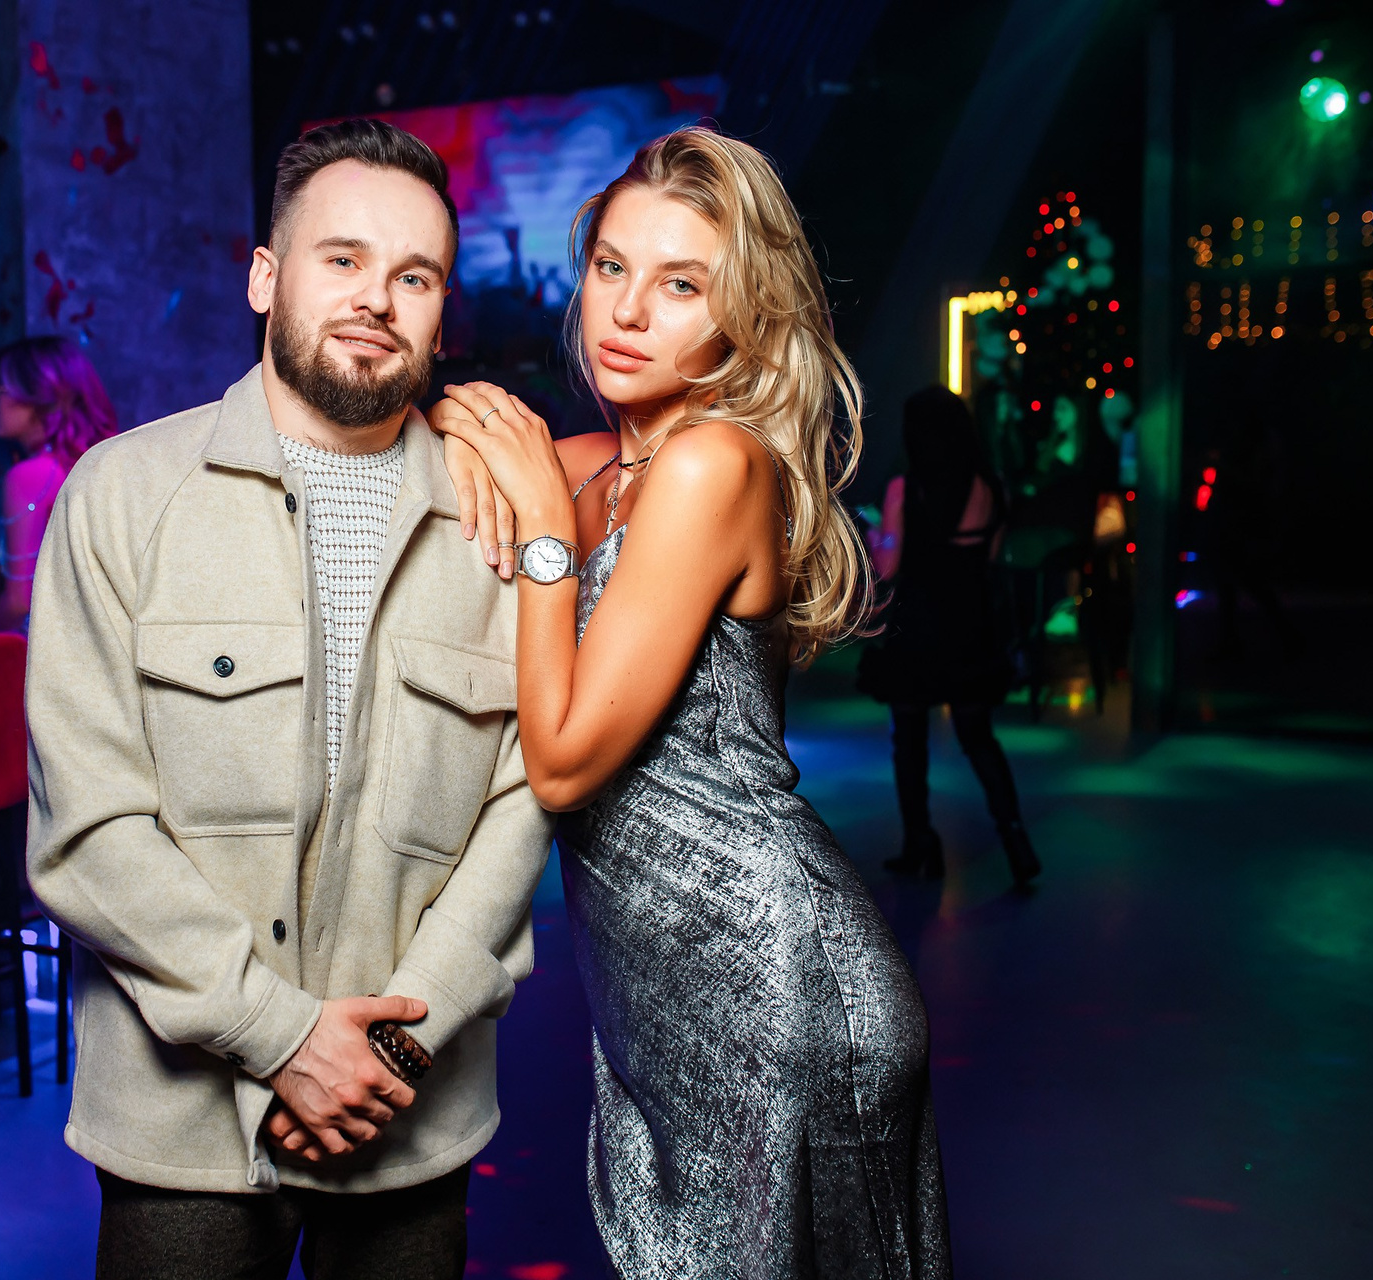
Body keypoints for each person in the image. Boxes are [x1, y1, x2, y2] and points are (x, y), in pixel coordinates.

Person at [24, 118, 554, 1279]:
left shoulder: (500, 522)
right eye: (342, 257)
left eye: (414, 276)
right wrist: (282, 1036)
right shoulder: (119, 497)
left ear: (442, 315)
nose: (376, 298)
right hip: (182, 1132)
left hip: (410, 1113)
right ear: (266, 275)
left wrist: (396, 1047)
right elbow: (89, 828)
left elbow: (526, 800)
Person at [430, 128, 950, 1279]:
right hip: (655, 999)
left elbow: (564, 763)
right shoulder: (605, 465)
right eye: (611, 266)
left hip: (774, 981)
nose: (626, 311)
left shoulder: (716, 463)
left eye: (681, 285)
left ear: (745, 316)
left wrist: (545, 539)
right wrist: (469, 432)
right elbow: (454, 424)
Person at [858, 386, 1041, 886]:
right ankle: (1015, 838)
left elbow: (888, 565)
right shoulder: (991, 487)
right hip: (970, 629)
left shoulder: (905, 489)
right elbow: (987, 559)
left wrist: (875, 533)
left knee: (909, 741)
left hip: (919, 629)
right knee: (979, 738)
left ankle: (920, 842)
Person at [0, 335, 119, 632]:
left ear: (41, 394)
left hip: (51, 644)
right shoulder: (108, 461)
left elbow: (20, 600)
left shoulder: (31, 475)